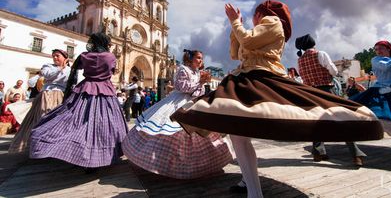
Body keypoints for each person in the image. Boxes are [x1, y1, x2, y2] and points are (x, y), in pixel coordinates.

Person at [171, 0, 382, 198]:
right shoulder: (256, 28)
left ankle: (253, 190)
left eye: (255, 14)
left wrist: (235, 22)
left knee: (246, 130)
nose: (253, 18)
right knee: (237, 133)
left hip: (260, 76)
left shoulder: (272, 22)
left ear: (262, 13)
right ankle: (250, 183)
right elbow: (236, 53)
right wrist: (236, 28)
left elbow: (248, 40)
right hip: (246, 76)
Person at [122, 49, 232, 179]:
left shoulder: (197, 72)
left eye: (201, 58)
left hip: (193, 103)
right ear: (190, 59)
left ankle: (193, 164)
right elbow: (181, 87)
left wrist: (201, 84)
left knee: (195, 133)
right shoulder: (182, 69)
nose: (200, 60)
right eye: (198, 58)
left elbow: (198, 92)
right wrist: (200, 82)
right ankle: (164, 162)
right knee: (174, 131)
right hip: (177, 102)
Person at [30, 33, 128, 170]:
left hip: (85, 88)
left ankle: (70, 150)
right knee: (107, 122)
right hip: (106, 90)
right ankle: (102, 155)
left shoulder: (84, 55)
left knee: (74, 119)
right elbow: (111, 71)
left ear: (93, 42)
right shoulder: (111, 57)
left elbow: (73, 74)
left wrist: (68, 94)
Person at [296, 34, 366, 166]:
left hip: (311, 93)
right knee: (342, 120)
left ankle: (318, 151)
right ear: (313, 43)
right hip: (327, 91)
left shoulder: (300, 60)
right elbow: (333, 71)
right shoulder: (320, 54)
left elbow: (303, 76)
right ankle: (356, 154)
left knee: (318, 122)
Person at [8, 49, 71, 154]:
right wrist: (60, 68)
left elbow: (70, 82)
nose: (55, 58)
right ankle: (39, 146)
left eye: (57, 56)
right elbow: (48, 75)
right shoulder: (48, 66)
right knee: (42, 118)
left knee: (58, 121)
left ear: (65, 57)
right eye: (53, 56)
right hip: (47, 94)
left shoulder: (69, 69)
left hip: (61, 95)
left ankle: (54, 147)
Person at [351, 40, 391, 145]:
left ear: (388, 49)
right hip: (382, 91)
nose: (378, 51)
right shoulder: (376, 60)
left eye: (381, 48)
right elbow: (386, 67)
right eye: (376, 49)